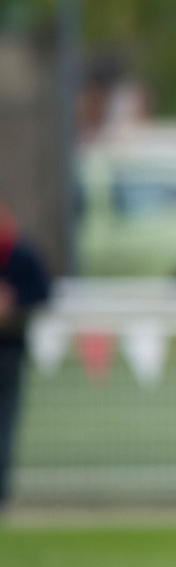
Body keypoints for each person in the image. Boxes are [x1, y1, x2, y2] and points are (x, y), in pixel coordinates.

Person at [0, 202, 51, 512]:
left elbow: (42, 292)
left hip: (8, 349)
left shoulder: (22, 255)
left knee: (4, 424)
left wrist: (13, 301)